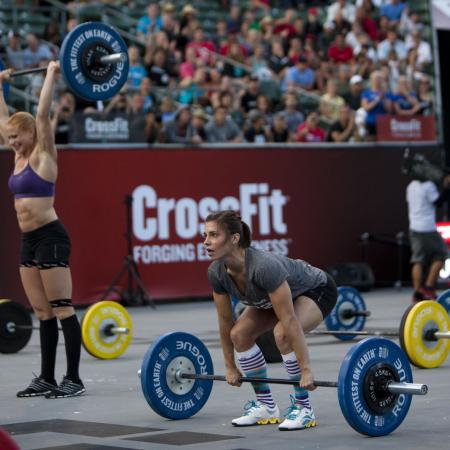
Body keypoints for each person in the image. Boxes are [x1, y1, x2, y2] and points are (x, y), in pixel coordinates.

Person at [204, 210, 337, 429]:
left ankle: (304, 409)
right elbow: (225, 322)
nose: (206, 242)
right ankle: (266, 406)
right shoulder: (216, 273)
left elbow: (289, 321)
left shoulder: (263, 267)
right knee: (239, 335)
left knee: (282, 334)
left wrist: (306, 370)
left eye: (214, 235)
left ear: (234, 238)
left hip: (316, 289)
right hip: (272, 297)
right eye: (205, 235)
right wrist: (230, 366)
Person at [0, 62, 85, 398]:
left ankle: (73, 379)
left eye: (15, 137)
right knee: (42, 311)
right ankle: (46, 378)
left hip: (51, 236)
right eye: (8, 138)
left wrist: (50, 73)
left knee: (63, 308)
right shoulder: (17, 156)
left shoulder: (43, 153)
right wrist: (0, 84)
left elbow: (43, 110)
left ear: (30, 132)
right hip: (28, 240)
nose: (11, 143)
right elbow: (3, 117)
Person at [407, 173, 450, 303]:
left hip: (413, 227)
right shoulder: (428, 186)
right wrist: (447, 187)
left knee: (418, 259)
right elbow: (439, 203)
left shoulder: (411, 186)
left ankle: (417, 292)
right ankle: (428, 287)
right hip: (427, 228)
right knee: (441, 254)